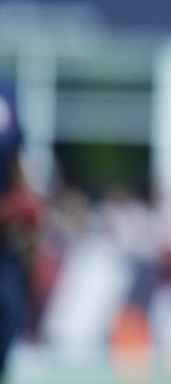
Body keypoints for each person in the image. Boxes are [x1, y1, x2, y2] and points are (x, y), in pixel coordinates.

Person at [0, 80, 42, 378]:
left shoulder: (6, 89)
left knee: (7, 313)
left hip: (4, 246)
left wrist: (28, 203)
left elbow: (16, 159)